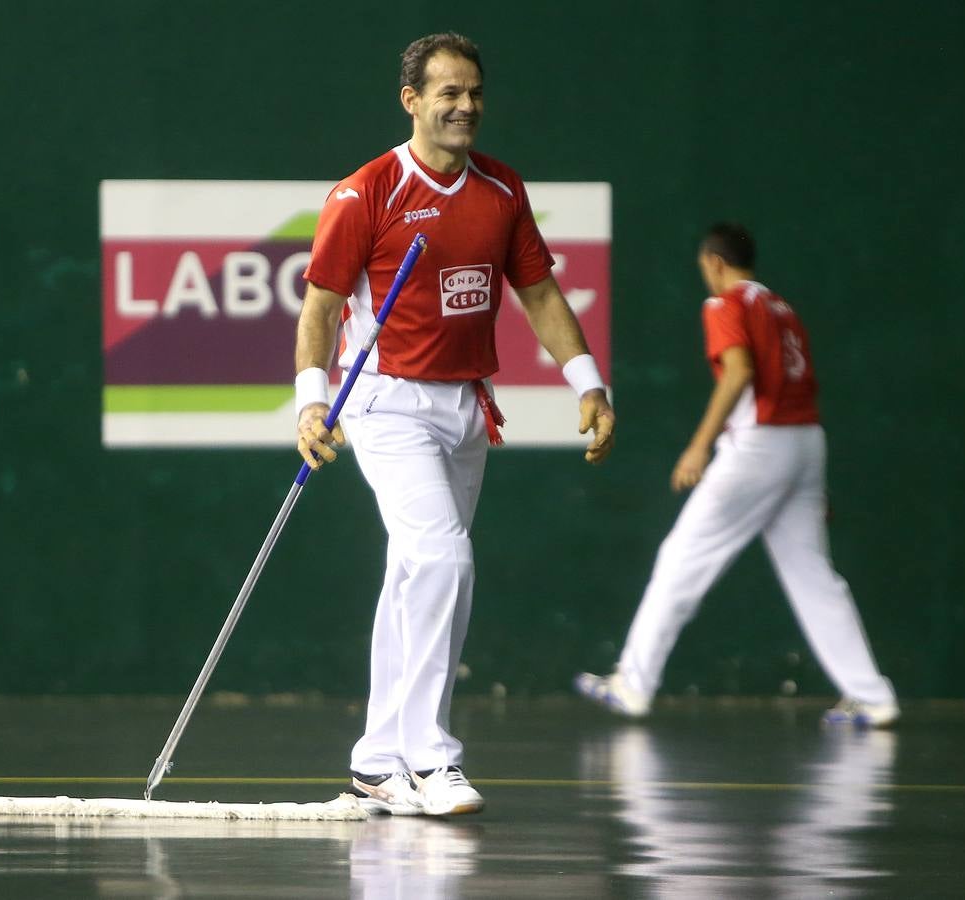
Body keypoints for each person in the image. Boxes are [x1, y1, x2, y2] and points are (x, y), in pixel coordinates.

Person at [294, 32, 615, 816]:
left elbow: (537, 291)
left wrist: (587, 381)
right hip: (384, 400)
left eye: (474, 92)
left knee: (415, 574)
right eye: (448, 93)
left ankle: (375, 763)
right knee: (442, 560)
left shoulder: (501, 190)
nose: (465, 106)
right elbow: (322, 307)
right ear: (411, 101)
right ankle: (431, 758)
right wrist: (309, 397)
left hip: (466, 406)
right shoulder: (364, 193)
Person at [575, 223, 898, 727]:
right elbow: (798, 384)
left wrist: (699, 446)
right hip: (804, 442)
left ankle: (633, 685)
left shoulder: (725, 304)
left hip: (757, 447)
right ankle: (873, 697)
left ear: (714, 262)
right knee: (815, 577)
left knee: (681, 557)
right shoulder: (782, 309)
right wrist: (808, 479)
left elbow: (740, 370)